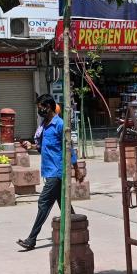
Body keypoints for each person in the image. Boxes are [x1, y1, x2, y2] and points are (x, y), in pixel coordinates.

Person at [17, 95, 84, 251]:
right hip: (49, 171)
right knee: (64, 205)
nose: (39, 110)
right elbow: (43, 147)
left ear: (49, 106)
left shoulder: (60, 125)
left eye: (41, 106)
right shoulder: (44, 125)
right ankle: (78, 232)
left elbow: (69, 148)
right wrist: (31, 146)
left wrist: (76, 169)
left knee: (43, 203)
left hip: (57, 172)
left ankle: (31, 240)